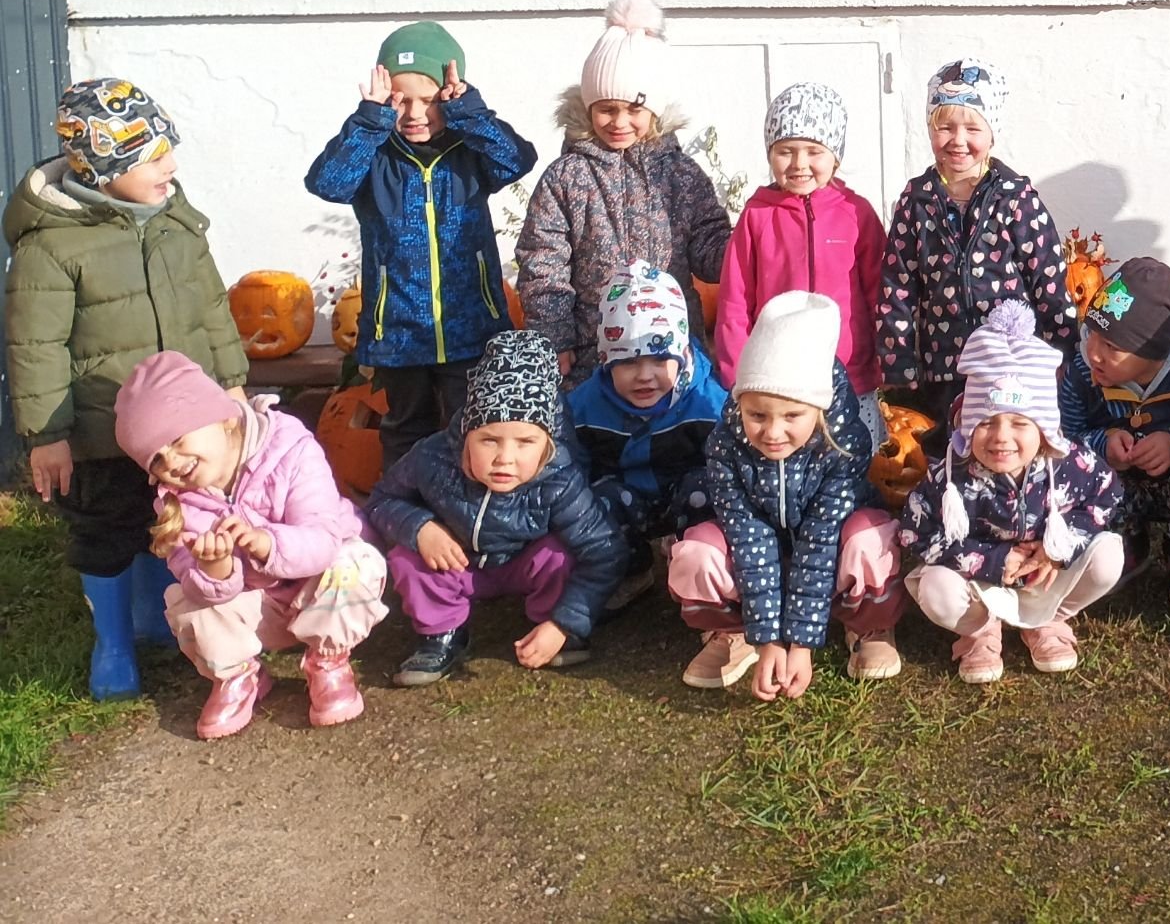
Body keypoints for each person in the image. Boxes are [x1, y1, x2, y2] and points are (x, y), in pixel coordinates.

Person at [5, 78, 249, 698]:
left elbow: (211, 307)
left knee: (174, 517)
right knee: (107, 528)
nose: (171, 167)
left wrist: (231, 383)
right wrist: (49, 435)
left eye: (169, 151)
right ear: (104, 169)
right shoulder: (52, 246)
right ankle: (113, 641)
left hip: (184, 429)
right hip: (101, 428)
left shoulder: (177, 224)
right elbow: (35, 346)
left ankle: (156, 616)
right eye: (153, 157)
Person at [115, 351, 388, 738]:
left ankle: (327, 660)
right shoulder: (177, 503)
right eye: (156, 460)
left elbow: (323, 538)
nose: (171, 462)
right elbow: (195, 583)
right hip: (259, 611)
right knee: (187, 600)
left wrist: (266, 544)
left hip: (318, 592)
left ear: (222, 417)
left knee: (353, 561)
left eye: (177, 440)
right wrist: (216, 569)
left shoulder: (291, 448)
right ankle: (238, 675)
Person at [306, 22, 537, 468]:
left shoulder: (469, 151)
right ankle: (404, 505)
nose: (414, 113)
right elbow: (328, 183)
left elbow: (516, 159)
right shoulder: (375, 155)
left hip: (470, 328)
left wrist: (467, 110)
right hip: (399, 329)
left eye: (428, 100)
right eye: (399, 99)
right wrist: (370, 119)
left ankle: (465, 507)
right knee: (405, 429)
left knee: (471, 428)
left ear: (448, 95)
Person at [667, 290, 904, 692]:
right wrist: (769, 640)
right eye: (757, 414)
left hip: (828, 560)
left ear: (820, 408)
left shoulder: (841, 447)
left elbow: (820, 540)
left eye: (792, 415)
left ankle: (869, 625)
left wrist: (801, 645)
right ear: (740, 404)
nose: (773, 432)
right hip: (758, 562)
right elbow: (747, 536)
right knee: (698, 550)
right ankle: (734, 633)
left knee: (869, 538)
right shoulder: (726, 446)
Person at [366, 329, 627, 687]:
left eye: (525, 442)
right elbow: (381, 500)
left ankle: (554, 629)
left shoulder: (560, 477)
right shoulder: (432, 457)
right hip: (456, 561)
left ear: (547, 443)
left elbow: (604, 551)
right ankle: (442, 633)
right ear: (466, 434)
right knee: (407, 558)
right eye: (489, 440)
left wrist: (564, 622)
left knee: (561, 553)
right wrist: (420, 527)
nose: (505, 458)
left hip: (524, 563)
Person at [899, 300, 1125, 683]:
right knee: (936, 588)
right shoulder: (952, 476)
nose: (1001, 437)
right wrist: (990, 559)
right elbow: (913, 532)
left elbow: (1109, 494)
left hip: (1045, 577)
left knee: (1108, 556)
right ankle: (979, 632)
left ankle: (1049, 621)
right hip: (979, 583)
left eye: (1020, 423)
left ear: (1044, 429)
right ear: (968, 424)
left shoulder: (1070, 463)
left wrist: (1059, 547)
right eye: (986, 423)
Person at [516, 0, 730, 377]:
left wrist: (748, 246)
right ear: (588, 109)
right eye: (606, 109)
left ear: (654, 111)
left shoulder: (681, 175)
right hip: (594, 351)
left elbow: (708, 244)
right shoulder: (567, 177)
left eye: (634, 109)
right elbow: (543, 262)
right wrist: (554, 337)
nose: (619, 122)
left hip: (672, 349)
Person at [875, 59, 1073, 431]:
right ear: (930, 129)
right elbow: (898, 287)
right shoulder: (917, 200)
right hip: (943, 367)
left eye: (972, 128)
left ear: (992, 132)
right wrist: (898, 364)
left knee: (1003, 446)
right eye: (945, 127)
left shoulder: (1016, 199)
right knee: (948, 451)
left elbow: (1048, 281)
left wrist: (1064, 352)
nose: (958, 140)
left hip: (1009, 366)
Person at [1057, 257, 1170, 606]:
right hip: (1118, 485)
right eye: (1092, 334)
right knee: (1078, 476)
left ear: (1156, 351)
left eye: (1112, 347)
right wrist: (1102, 444)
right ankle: (1123, 542)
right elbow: (1063, 439)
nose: (1094, 353)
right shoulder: (1080, 374)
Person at [713, 83, 884, 430]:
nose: (799, 164)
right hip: (776, 380)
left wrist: (886, 360)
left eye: (813, 151)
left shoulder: (856, 214)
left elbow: (879, 294)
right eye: (785, 151)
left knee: (855, 457)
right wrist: (736, 373)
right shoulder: (757, 216)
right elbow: (735, 301)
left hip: (849, 375)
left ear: (835, 156)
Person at [564, 263, 731, 610]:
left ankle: (697, 561)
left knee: (712, 488)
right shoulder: (585, 406)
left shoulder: (708, 403)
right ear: (606, 360)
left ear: (682, 356)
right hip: (629, 496)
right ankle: (629, 568)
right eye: (627, 362)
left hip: (686, 494)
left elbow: (731, 463)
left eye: (659, 360)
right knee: (590, 503)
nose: (644, 375)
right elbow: (570, 464)